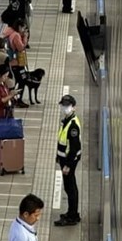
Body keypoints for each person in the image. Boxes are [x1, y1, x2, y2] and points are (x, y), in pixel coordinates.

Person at [55, 94, 82, 226]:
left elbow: (74, 147)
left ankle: (72, 216)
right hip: (64, 159)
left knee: (70, 188)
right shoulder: (66, 120)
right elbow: (62, 141)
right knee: (70, 187)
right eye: (63, 105)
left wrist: (68, 166)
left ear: (73, 107)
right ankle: (72, 213)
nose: (64, 108)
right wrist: (58, 156)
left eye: (67, 106)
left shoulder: (72, 125)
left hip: (69, 161)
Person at [2, 19, 30, 108]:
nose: (24, 30)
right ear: (19, 27)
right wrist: (25, 37)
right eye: (23, 28)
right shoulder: (16, 35)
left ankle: (11, 97)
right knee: (22, 80)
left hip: (10, 62)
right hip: (16, 63)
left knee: (15, 81)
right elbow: (21, 48)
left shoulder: (8, 32)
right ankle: (17, 99)